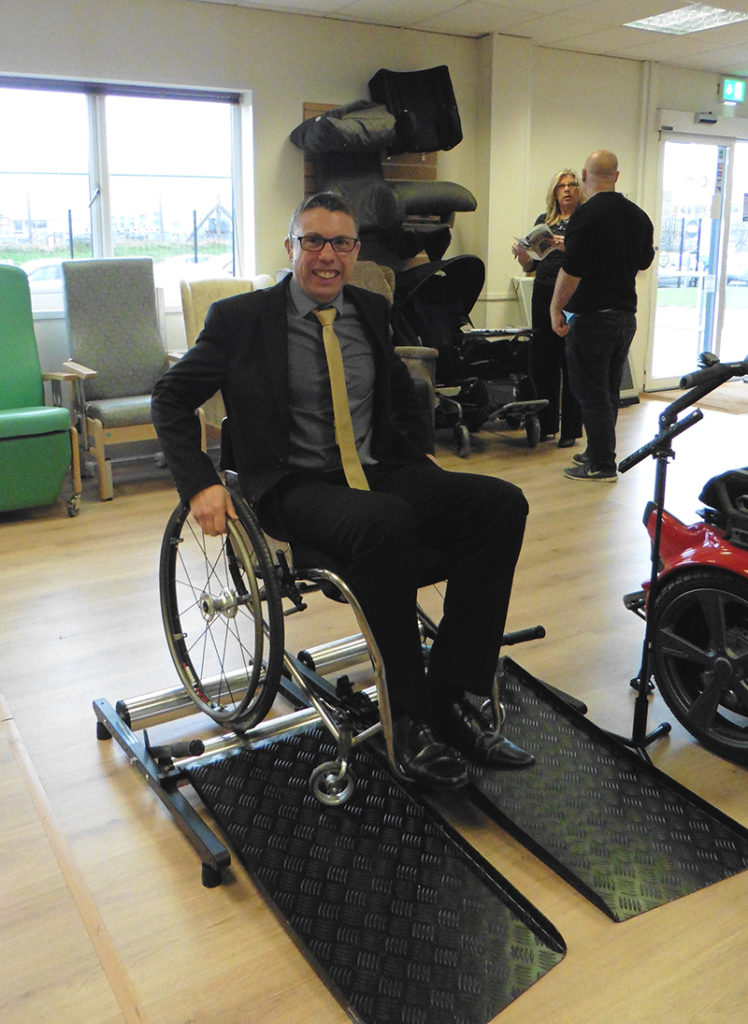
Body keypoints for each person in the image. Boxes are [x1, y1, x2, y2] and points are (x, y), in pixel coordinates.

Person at [152, 191, 533, 789]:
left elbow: (398, 395)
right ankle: (408, 719)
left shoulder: (371, 308)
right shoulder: (241, 320)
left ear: (356, 251)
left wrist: (420, 458)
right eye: (314, 241)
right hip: (295, 485)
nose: (327, 256)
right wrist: (199, 483)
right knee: (386, 524)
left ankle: (456, 694)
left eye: (342, 243)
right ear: (291, 247)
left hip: (376, 472)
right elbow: (170, 397)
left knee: (500, 504)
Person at [549, 151, 654, 481]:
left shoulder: (586, 215)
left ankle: (602, 464)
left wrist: (556, 308)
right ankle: (597, 451)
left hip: (594, 317)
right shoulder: (638, 216)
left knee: (591, 392)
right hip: (625, 317)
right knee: (608, 390)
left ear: (584, 175)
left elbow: (573, 268)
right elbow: (644, 262)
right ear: (617, 176)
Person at [512, 169, 583, 447]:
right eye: (561, 186)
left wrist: (569, 246)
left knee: (570, 358)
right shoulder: (545, 222)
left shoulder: (584, 221)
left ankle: (571, 430)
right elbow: (532, 266)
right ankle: (547, 424)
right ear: (554, 192)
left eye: (572, 185)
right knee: (543, 358)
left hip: (572, 292)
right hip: (543, 289)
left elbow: (590, 257)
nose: (566, 190)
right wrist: (522, 257)